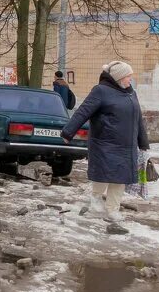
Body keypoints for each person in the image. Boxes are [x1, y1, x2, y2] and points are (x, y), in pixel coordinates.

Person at [61, 61, 149, 222]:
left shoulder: (131, 93)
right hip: (104, 143)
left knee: (120, 178)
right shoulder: (101, 91)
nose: (131, 79)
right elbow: (83, 112)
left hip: (126, 146)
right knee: (103, 175)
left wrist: (143, 143)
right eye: (128, 76)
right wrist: (68, 132)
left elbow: (138, 120)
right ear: (119, 77)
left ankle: (112, 210)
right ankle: (95, 201)